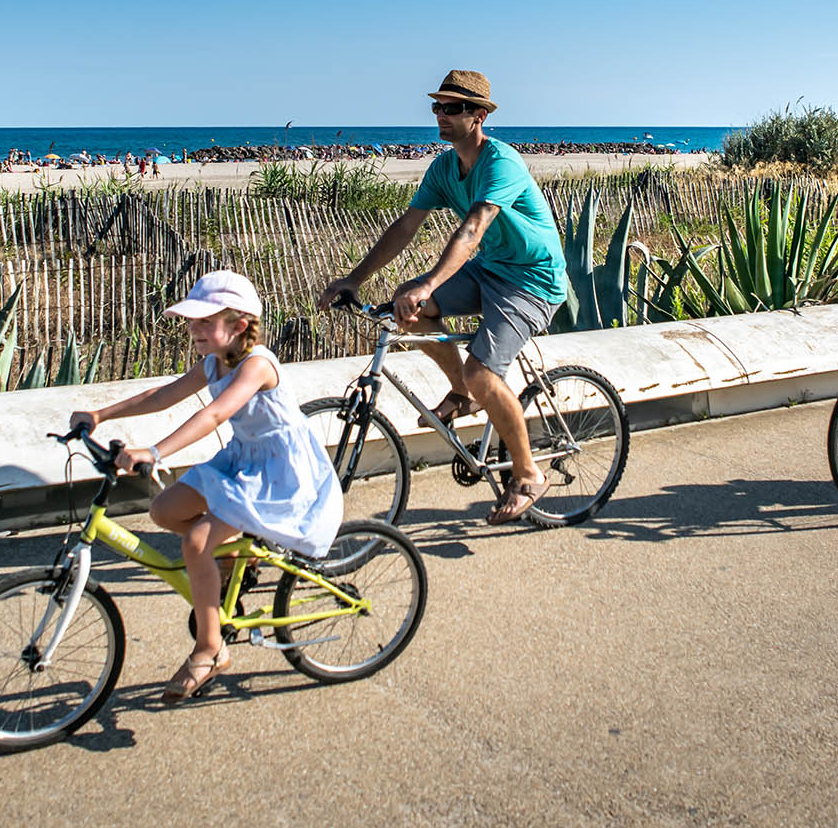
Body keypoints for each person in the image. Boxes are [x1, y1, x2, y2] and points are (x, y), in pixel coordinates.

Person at [68, 270, 341, 701]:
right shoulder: (215, 361)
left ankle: (210, 649)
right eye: (191, 321)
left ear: (238, 326)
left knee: (196, 541)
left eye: (203, 321)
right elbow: (164, 395)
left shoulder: (257, 365)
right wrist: (101, 415)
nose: (193, 329)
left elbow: (214, 415)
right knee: (164, 511)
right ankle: (235, 557)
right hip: (243, 458)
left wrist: (155, 452)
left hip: (279, 473)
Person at [320, 69, 570, 524]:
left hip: (531, 281)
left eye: (452, 108)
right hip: (490, 270)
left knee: (482, 371)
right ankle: (464, 392)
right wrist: (353, 279)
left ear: (478, 115)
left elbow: (473, 228)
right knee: (408, 309)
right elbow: (405, 228)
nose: (441, 114)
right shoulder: (443, 167)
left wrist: (429, 283)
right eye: (437, 106)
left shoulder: (501, 163)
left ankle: (529, 473)